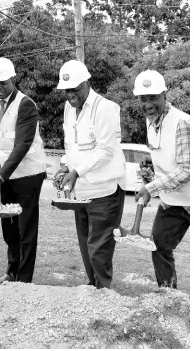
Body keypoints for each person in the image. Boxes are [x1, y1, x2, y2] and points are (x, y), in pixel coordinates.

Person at [58, 59, 126, 289]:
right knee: (86, 245)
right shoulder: (69, 108)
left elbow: (105, 151)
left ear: (87, 82)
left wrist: (77, 171)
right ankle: (93, 288)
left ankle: (103, 292)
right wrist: (65, 166)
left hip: (104, 192)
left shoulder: (105, 108)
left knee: (99, 247)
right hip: (82, 192)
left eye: (75, 89)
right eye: (67, 90)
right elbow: (71, 145)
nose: (70, 94)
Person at [0, 57, 47, 286]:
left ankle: (23, 281)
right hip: (6, 176)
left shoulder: (26, 105)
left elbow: (22, 145)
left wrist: (0, 176)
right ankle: (11, 273)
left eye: (2, 82)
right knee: (8, 228)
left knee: (25, 230)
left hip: (28, 175)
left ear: (13, 79)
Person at [132, 70, 190, 289]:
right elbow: (160, 161)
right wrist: (148, 184)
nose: (148, 104)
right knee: (159, 245)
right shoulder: (151, 122)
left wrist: (152, 189)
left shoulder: (182, 122)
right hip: (173, 200)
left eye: (153, 98)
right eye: (143, 99)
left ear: (165, 95)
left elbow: (187, 170)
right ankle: (168, 297)